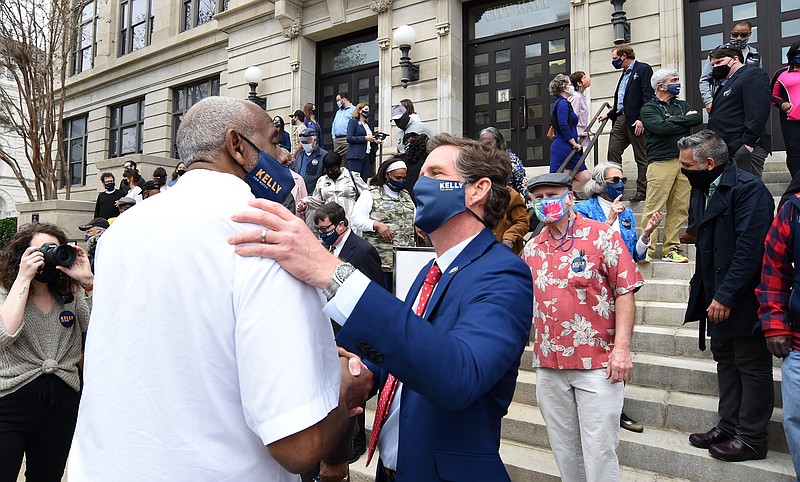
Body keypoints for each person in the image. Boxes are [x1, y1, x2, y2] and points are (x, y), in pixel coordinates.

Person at [69, 96, 371, 480]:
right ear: (237, 145)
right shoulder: (265, 235)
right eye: (275, 142)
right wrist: (345, 387)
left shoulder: (119, 234)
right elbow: (299, 446)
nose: (285, 157)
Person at [228, 133, 534, 481]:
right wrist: (367, 371)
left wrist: (333, 272)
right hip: (392, 470)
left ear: (477, 189)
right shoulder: (429, 272)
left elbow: (459, 373)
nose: (420, 184)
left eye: (435, 174)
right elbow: (416, 349)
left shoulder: (504, 273)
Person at [523, 172, 643, 482]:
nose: (545, 202)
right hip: (549, 363)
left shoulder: (602, 235)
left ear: (569, 196)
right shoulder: (532, 249)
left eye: (552, 194)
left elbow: (624, 290)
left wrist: (623, 349)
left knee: (600, 449)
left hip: (598, 363)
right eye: (538, 198)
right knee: (564, 449)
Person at [679, 130, 774, 462]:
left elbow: (750, 250)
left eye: (686, 165)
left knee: (750, 364)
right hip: (713, 290)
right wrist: (700, 285)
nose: (682, 171)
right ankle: (729, 425)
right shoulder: (701, 189)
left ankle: (751, 437)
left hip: (743, 296)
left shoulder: (750, 191)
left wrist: (726, 295)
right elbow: (705, 244)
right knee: (726, 360)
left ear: (708, 163)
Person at [0, 223, 93, 482]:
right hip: (9, 400)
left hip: (61, 402)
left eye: (53, 249)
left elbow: (104, 330)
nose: (47, 256)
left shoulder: (70, 293)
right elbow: (4, 335)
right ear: (21, 255)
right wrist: (24, 277)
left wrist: (88, 282)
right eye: (39, 251)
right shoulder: (5, 290)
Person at [756, 192, 800, 479]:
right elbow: (774, 270)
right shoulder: (793, 209)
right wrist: (774, 325)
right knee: (795, 420)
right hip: (798, 345)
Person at [639, 68, 702, 263]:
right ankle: (645, 249)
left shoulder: (682, 104)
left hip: (685, 162)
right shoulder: (649, 108)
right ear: (661, 86)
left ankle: (671, 249)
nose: (678, 82)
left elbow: (697, 118)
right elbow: (660, 127)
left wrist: (671, 120)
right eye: (674, 80)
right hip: (661, 161)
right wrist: (679, 122)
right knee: (654, 206)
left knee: (680, 207)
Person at [599, 44, 654, 202]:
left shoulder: (642, 69)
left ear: (624, 56)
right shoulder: (624, 74)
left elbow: (648, 96)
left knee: (641, 156)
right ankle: (615, 187)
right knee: (613, 152)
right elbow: (623, 99)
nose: (613, 61)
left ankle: (642, 191)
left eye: (615, 58)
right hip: (620, 118)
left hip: (636, 119)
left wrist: (642, 119)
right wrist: (609, 114)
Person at [350, 158, 416, 288]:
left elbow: (415, 217)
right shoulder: (370, 194)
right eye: (397, 178)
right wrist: (376, 225)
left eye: (404, 178)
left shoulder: (406, 196)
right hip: (381, 260)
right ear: (387, 175)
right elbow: (356, 219)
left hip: (404, 260)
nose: (401, 181)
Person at [706, 46, 771, 178]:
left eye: (719, 62)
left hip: (744, 148)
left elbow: (758, 111)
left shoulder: (752, 74)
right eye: (713, 65)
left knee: (749, 191)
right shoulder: (726, 84)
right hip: (727, 149)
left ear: (735, 59)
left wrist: (747, 144)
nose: (715, 67)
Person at [297, 151, 367, 234]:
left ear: (340, 165)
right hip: (330, 221)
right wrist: (306, 202)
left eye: (333, 170)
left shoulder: (352, 177)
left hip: (350, 218)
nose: (330, 173)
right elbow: (318, 200)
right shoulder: (322, 180)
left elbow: (366, 195)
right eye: (328, 170)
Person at [700, 21, 762, 113]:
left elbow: (758, 81)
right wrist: (708, 101)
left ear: (749, 34)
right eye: (735, 34)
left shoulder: (755, 56)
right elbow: (704, 79)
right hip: (722, 100)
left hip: (746, 102)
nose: (739, 38)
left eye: (743, 35)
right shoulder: (718, 52)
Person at [549, 73, 589, 192]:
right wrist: (573, 142)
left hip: (567, 145)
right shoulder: (562, 103)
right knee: (562, 181)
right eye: (570, 84)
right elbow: (562, 125)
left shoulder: (563, 102)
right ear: (564, 87)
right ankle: (560, 199)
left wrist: (576, 135)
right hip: (564, 146)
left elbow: (565, 125)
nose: (572, 86)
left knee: (584, 177)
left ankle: (564, 196)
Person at [771, 41, 800, 178]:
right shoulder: (781, 73)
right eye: (798, 53)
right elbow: (771, 95)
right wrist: (782, 104)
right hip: (791, 120)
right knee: (794, 153)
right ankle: (797, 184)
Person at [479, 126, 529, 198]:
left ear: (498, 142)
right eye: (482, 142)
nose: (485, 146)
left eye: (488, 142)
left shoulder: (512, 159)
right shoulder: (479, 160)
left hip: (508, 199)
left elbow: (522, 183)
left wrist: (531, 195)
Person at [346, 102, 381, 181]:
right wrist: (365, 138)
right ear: (359, 111)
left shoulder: (367, 125)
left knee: (364, 180)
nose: (367, 111)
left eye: (368, 110)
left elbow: (369, 138)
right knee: (355, 180)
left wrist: (375, 141)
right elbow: (349, 138)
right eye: (365, 109)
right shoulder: (353, 122)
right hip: (356, 155)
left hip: (366, 155)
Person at [492, 185, 528, 255]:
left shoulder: (510, 195)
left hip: (504, 250)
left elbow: (522, 222)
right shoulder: (470, 194)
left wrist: (509, 237)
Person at [293, 127, 327, 196]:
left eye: (307, 142)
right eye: (302, 142)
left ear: (314, 140)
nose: (305, 144)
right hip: (299, 193)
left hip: (314, 195)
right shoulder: (299, 155)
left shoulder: (324, 155)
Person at [568, 70, 592, 150]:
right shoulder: (576, 97)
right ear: (579, 83)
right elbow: (572, 116)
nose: (587, 79)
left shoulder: (581, 96)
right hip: (577, 135)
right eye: (584, 78)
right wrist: (577, 133)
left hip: (581, 133)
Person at [332, 93, 355, 157]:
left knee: (348, 159)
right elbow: (334, 124)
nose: (337, 102)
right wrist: (333, 137)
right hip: (337, 140)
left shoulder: (353, 109)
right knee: (337, 160)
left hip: (346, 139)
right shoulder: (338, 112)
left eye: (338, 100)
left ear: (344, 99)